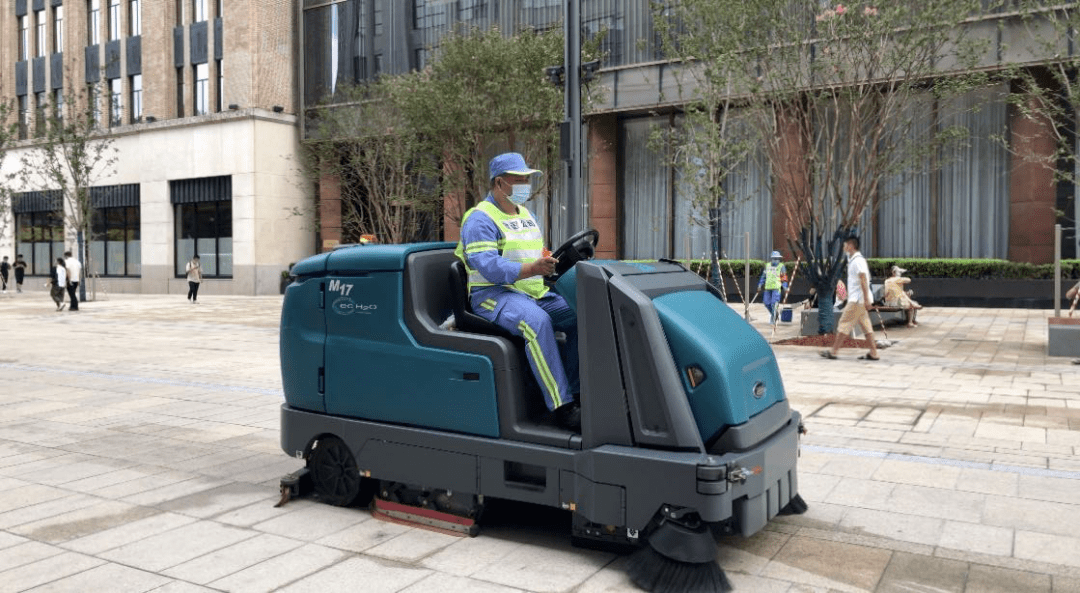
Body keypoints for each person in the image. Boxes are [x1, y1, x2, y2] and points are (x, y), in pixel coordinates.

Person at [455, 152, 581, 432]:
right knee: (537, 323)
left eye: (527, 178)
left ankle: (578, 392)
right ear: (499, 183)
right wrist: (533, 269)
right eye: (519, 179)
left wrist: (549, 260)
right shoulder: (479, 219)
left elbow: (538, 250)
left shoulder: (526, 214)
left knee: (582, 314)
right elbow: (487, 265)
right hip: (492, 295)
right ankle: (562, 406)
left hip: (532, 291)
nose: (525, 184)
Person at [821, 236, 880, 361]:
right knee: (866, 326)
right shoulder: (853, 259)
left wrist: (866, 299)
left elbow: (863, 279)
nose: (843, 247)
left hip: (857, 300)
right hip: (859, 299)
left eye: (845, 245)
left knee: (844, 324)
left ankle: (834, 351)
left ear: (851, 246)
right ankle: (874, 352)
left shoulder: (858, 261)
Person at [758, 251, 788, 323]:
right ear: (771, 259)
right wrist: (760, 284)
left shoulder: (781, 266)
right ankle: (774, 314)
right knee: (766, 303)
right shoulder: (767, 266)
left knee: (774, 304)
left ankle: (773, 318)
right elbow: (763, 276)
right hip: (768, 287)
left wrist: (785, 286)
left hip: (777, 288)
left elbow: (784, 277)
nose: (776, 260)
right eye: (774, 258)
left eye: (777, 258)